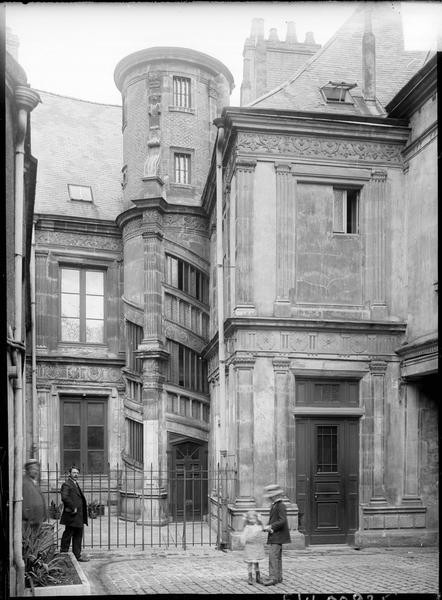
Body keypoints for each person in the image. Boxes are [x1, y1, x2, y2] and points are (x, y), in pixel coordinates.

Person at [261, 484, 291, 586]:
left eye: (270, 495)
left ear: (274, 496)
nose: (269, 497)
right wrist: (268, 527)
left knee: (273, 556)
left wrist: (271, 527)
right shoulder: (274, 505)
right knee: (277, 557)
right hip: (275, 535)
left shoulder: (281, 505)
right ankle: (278, 577)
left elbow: (282, 521)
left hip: (278, 536)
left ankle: (273, 578)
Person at [59, 466, 89, 562]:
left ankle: (77, 555)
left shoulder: (75, 484)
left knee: (78, 535)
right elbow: (64, 497)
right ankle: (63, 554)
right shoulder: (67, 484)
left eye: (77, 473)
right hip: (72, 514)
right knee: (68, 534)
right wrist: (73, 507)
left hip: (79, 515)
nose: (76, 475)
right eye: (74, 473)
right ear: (69, 474)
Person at [239, 510, 266, 585]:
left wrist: (261, 521)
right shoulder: (247, 527)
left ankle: (258, 576)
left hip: (257, 546)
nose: (252, 520)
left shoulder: (258, 526)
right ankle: (250, 577)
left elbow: (263, 528)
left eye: (254, 519)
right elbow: (244, 536)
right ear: (248, 519)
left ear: (256, 518)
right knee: (250, 562)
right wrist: (244, 542)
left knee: (256, 562)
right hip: (250, 546)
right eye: (250, 519)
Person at [22, 459, 47, 528]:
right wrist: (29, 518)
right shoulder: (25, 483)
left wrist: (44, 515)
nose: (36, 471)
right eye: (33, 469)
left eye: (37, 469)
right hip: (30, 523)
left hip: (36, 521)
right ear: (27, 470)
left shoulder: (34, 482)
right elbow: (25, 503)